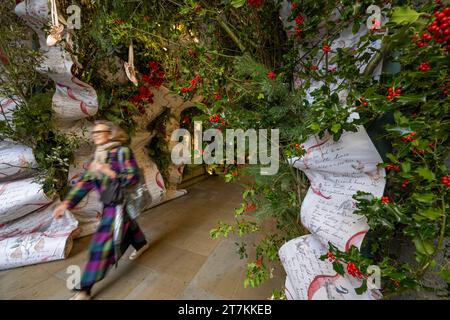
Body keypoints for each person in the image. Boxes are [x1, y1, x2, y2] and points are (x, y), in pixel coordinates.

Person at [53, 120, 150, 300]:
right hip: (109, 203)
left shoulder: (122, 152)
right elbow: (84, 183)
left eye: (100, 132)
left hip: (118, 203)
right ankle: (141, 243)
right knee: (127, 223)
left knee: (101, 244)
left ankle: (84, 289)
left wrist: (111, 173)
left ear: (110, 133)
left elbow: (133, 177)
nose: (95, 135)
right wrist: (66, 204)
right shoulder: (97, 157)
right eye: (94, 133)